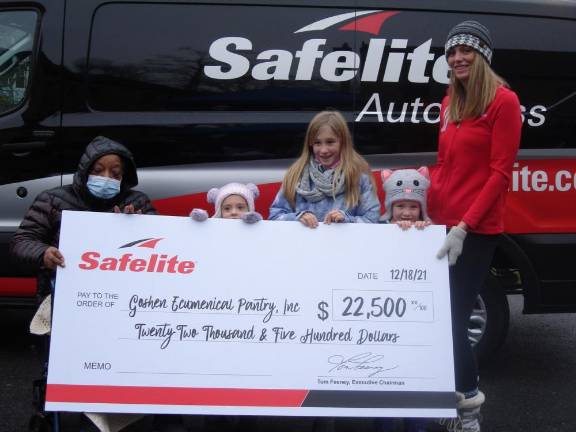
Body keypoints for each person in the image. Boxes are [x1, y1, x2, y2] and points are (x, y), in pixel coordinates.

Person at [10, 135, 157, 432]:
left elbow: (163, 244)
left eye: (115, 174)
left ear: (124, 176)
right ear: (84, 170)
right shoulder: (52, 200)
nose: (106, 178)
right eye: (98, 170)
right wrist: (44, 253)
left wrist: (138, 224)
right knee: (66, 364)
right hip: (65, 301)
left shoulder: (136, 202)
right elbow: (22, 241)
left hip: (123, 304)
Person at [428, 21, 522, 432]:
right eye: (451, 53)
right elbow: (446, 165)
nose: (457, 58)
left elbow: (501, 173)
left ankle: (468, 411)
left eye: (465, 51)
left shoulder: (504, 102)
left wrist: (464, 226)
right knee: (433, 318)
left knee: (453, 320)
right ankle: (439, 401)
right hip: (440, 225)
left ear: (482, 56)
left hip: (474, 232)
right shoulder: (451, 99)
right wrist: (427, 213)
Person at [269, 110, 380, 226]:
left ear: (343, 142)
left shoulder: (358, 176)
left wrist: (346, 220)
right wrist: (298, 217)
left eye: (330, 142)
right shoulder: (296, 174)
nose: (324, 150)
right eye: (317, 143)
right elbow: (275, 215)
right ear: (310, 144)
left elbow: (372, 219)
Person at [190, 182, 262, 223]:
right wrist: (201, 223)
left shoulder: (256, 229)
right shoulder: (213, 228)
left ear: (250, 209)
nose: (233, 212)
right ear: (219, 211)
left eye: (240, 207)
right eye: (227, 208)